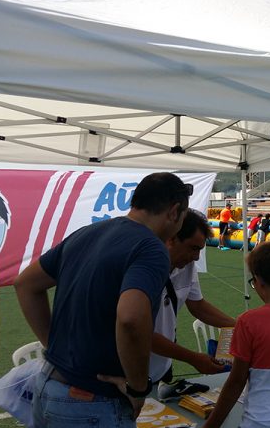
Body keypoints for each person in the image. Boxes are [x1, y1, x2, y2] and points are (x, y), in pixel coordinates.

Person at [14, 172, 192, 427]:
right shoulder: (151, 247)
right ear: (174, 212)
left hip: (49, 384)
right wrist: (138, 387)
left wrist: (52, 343)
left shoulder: (87, 233)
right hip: (92, 401)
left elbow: (26, 284)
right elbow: (131, 317)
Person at [203, 242, 270, 428]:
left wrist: (211, 425)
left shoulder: (248, 321)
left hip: (261, 422)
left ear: (257, 282)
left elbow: (236, 382)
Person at [151, 209, 237, 399]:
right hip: (128, 371)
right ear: (171, 239)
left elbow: (198, 306)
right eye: (193, 248)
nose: (197, 257)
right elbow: (138, 331)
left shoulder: (187, 266)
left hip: (161, 366)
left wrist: (238, 326)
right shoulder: (144, 268)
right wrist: (193, 358)